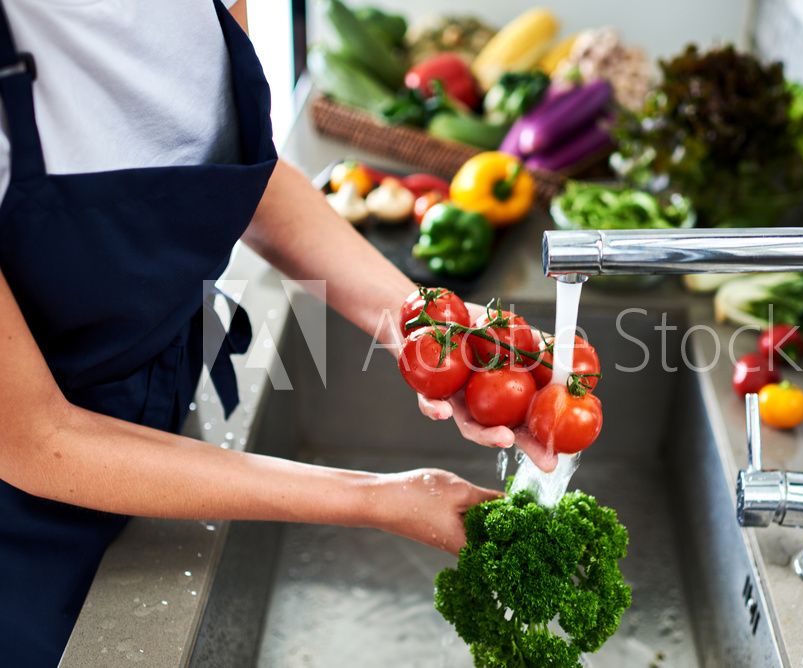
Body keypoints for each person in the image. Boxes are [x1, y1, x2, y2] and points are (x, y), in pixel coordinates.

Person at [0, 1, 552, 665]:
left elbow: (242, 178)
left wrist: (429, 331)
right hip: (23, 528)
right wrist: (378, 499)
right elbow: (34, 437)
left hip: (168, 410)